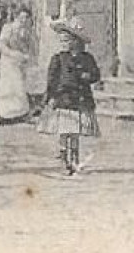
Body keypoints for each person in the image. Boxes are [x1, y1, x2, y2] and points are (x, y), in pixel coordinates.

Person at [38, 20, 101, 175]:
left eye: (66, 40)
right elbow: (51, 80)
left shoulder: (87, 58)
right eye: (61, 41)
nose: (63, 44)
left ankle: (74, 157)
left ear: (76, 41)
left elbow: (95, 75)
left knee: (75, 131)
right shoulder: (58, 59)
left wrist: (88, 76)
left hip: (80, 99)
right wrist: (49, 97)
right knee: (65, 129)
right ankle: (63, 155)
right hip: (63, 99)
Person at [0, 8, 38, 123]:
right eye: (21, 17)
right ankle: (4, 115)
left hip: (20, 63)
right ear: (17, 17)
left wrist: (27, 56)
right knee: (8, 87)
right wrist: (12, 53)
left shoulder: (27, 31)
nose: (24, 20)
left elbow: (31, 47)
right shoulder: (8, 28)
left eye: (26, 18)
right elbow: (1, 46)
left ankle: (21, 114)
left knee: (20, 88)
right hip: (8, 62)